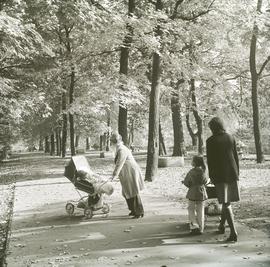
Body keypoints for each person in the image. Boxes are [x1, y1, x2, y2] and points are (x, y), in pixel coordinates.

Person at [206, 117, 240, 242]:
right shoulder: (231, 137)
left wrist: (211, 177)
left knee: (226, 203)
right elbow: (235, 157)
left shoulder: (210, 141)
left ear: (214, 127)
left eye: (210, 127)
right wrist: (237, 173)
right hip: (232, 173)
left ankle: (233, 232)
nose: (210, 130)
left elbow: (210, 161)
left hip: (220, 175)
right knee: (227, 201)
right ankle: (222, 226)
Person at [110, 132, 144, 218]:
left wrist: (114, 175)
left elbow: (119, 163)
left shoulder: (122, 149)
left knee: (133, 191)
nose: (112, 143)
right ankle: (133, 209)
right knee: (126, 192)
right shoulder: (119, 148)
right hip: (126, 172)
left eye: (113, 141)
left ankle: (139, 212)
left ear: (115, 141)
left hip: (130, 171)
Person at [183, 155, 208, 235]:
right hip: (201, 192)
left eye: (192, 160)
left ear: (194, 162)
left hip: (192, 192)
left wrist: (185, 183)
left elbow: (187, 183)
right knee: (201, 210)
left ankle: (194, 225)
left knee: (191, 209)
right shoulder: (204, 170)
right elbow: (206, 181)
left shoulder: (191, 172)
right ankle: (201, 228)